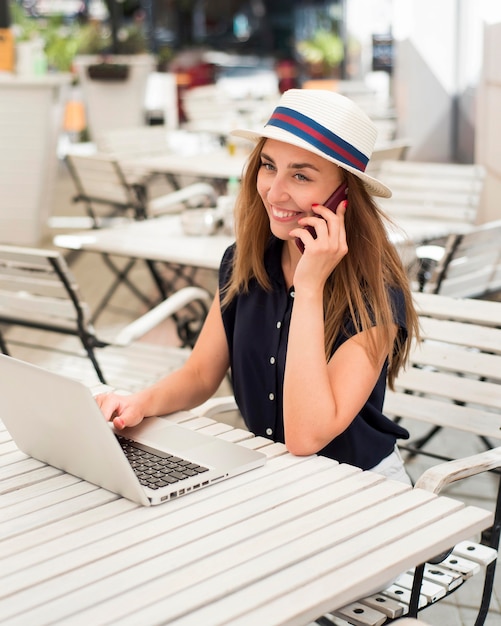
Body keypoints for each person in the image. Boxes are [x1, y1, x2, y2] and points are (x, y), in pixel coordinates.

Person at [96, 89, 420, 484]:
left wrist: (310, 286)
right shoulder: (245, 260)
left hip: (362, 488)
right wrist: (138, 402)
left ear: (345, 195)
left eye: (301, 175)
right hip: (272, 479)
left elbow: (305, 436)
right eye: (269, 166)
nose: (274, 191)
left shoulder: (375, 294)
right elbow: (200, 374)